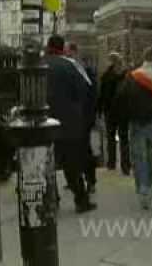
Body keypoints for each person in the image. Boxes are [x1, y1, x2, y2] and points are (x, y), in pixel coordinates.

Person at [116, 47, 152, 210]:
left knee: (138, 156)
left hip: (136, 122)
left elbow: (121, 97)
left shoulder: (132, 76)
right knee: (151, 156)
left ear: (143, 58)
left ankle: (142, 189)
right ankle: (148, 186)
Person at [45, 35, 96, 213]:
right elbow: (84, 91)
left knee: (47, 165)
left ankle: (51, 200)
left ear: (48, 46)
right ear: (62, 48)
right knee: (72, 164)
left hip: (44, 123)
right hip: (69, 123)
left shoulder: (39, 65)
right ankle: (81, 201)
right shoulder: (70, 65)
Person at [66, 42, 97, 194]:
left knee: (84, 149)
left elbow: (91, 95)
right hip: (77, 116)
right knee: (77, 149)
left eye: (70, 54)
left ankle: (90, 180)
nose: (68, 57)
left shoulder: (85, 71)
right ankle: (79, 178)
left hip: (83, 117)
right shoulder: (77, 70)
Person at [98, 52, 130, 174]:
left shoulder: (106, 76)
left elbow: (102, 95)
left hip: (109, 111)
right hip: (123, 111)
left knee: (111, 138)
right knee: (124, 138)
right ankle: (125, 166)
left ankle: (111, 163)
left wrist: (100, 109)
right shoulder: (126, 76)